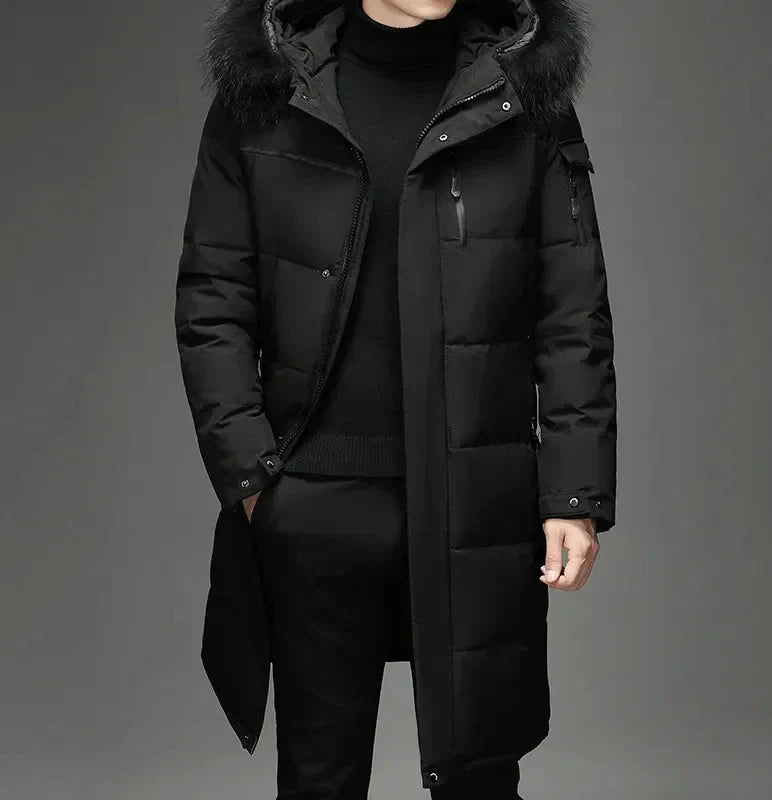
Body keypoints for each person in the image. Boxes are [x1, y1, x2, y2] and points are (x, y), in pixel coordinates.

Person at [174, 0, 617, 798]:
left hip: (475, 499)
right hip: (312, 500)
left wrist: (573, 495)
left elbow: (573, 312)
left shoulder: (523, 94)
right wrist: (251, 475)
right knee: (319, 779)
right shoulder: (269, 91)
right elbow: (214, 299)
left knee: (479, 777)